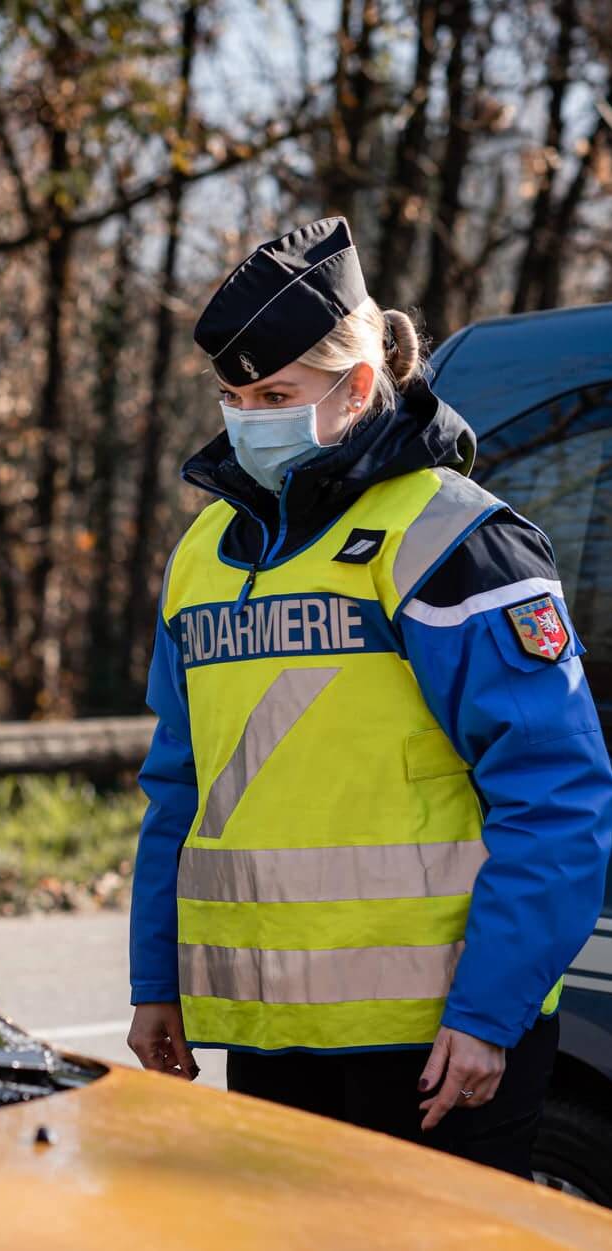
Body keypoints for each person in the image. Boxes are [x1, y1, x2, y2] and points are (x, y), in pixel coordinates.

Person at [126, 216, 612, 1177]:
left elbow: (556, 799)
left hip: (436, 1041)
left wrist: (488, 1015)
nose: (246, 416)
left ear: (356, 387)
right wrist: (158, 981)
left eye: (275, 393)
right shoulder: (201, 557)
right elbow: (176, 790)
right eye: (232, 395)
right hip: (269, 1038)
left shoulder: (452, 538)